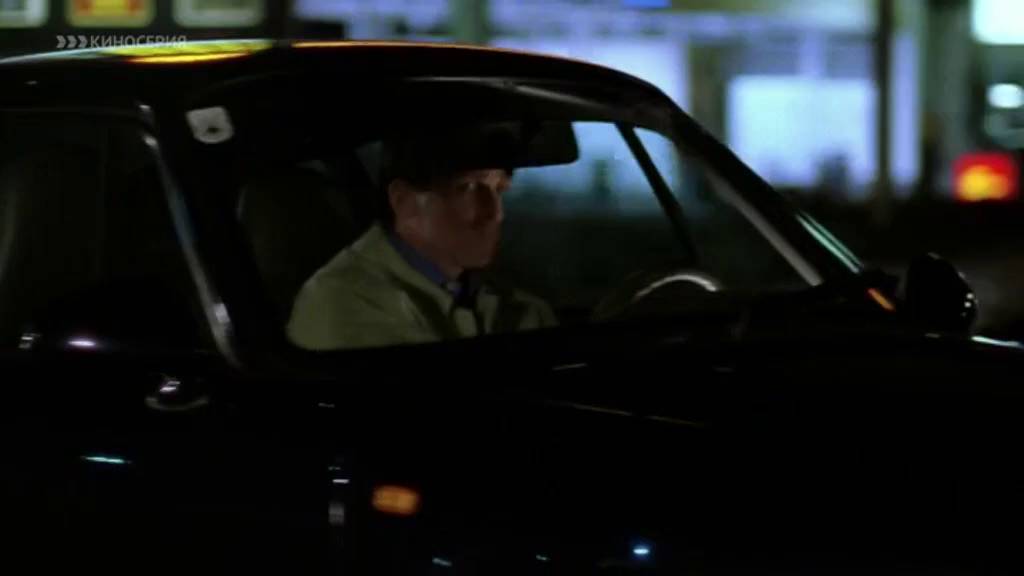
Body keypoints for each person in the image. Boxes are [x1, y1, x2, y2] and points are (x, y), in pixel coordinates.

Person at [287, 128, 557, 350]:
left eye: (499, 189)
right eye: (466, 188)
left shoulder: (509, 302)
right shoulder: (340, 305)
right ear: (403, 201)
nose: (495, 213)